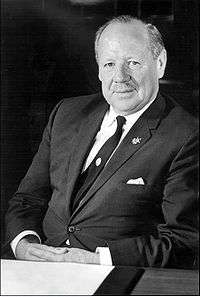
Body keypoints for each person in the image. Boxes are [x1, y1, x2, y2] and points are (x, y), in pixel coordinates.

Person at [4, 15, 198, 268]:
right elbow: (28, 199)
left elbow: (184, 241)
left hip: (119, 279)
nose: (119, 76)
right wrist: (25, 244)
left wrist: (99, 260)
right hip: (37, 270)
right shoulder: (67, 113)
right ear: (98, 69)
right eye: (109, 64)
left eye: (133, 63)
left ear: (159, 64)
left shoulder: (187, 135)